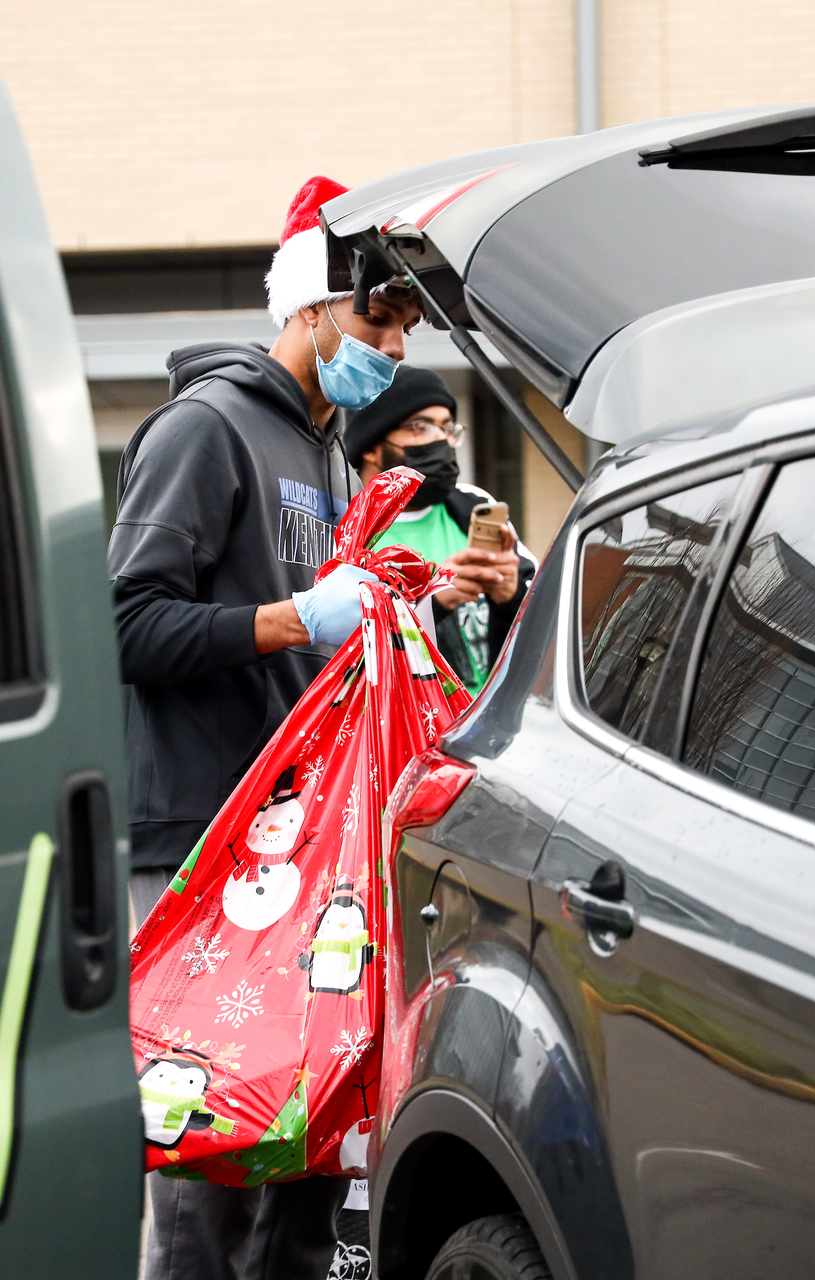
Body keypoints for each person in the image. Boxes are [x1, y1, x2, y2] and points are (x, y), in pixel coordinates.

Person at [108, 175, 422, 1280]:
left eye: (404, 327)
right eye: (374, 318)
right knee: (204, 1149)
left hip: (298, 850)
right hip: (201, 839)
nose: (387, 347)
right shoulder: (206, 427)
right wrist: (293, 616)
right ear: (308, 304)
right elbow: (125, 622)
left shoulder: (332, 452)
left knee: (298, 1142)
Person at [345, 366, 536, 695]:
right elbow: (349, 659)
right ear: (371, 447)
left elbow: (539, 619)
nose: (442, 440)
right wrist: (436, 602)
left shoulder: (474, 506)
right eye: (420, 427)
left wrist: (511, 595)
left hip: (489, 721)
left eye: (448, 428)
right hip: (408, 737)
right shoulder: (350, 531)